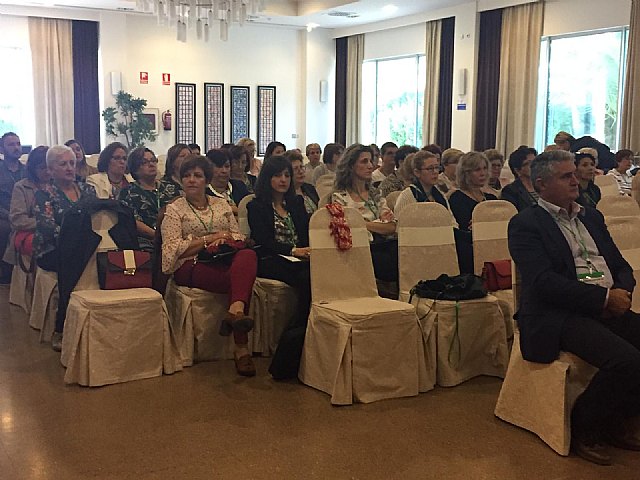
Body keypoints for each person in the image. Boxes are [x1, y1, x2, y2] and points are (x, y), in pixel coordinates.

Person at [508, 149, 640, 466]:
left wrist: (621, 290)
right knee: (627, 361)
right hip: (558, 313)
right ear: (541, 184)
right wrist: (603, 300)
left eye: (573, 174)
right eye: (565, 176)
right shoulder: (526, 224)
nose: (575, 180)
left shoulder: (590, 216)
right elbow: (543, 283)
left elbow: (619, 265)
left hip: (604, 304)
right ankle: (584, 425)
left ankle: (616, 419)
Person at [161, 155, 258, 376]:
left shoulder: (220, 204)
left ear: (206, 180)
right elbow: (171, 254)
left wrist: (224, 240)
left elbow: (238, 236)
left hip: (222, 257)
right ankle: (241, 348)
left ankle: (235, 312)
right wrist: (207, 240)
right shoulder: (174, 210)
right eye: (186, 176)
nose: (191, 180)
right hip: (189, 265)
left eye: (197, 176)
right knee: (240, 281)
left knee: (248, 255)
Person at [34, 145, 96, 351]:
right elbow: (48, 227)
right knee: (71, 260)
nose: (69, 168)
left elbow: (96, 220)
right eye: (63, 164)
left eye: (72, 163)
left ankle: (98, 319)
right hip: (52, 250)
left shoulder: (88, 190)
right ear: (50, 170)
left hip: (85, 247)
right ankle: (60, 327)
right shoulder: (44, 194)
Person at [247, 155, 311, 331]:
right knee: (307, 278)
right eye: (277, 175)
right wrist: (293, 251)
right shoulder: (256, 206)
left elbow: (305, 233)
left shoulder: (296, 203)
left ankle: (310, 324)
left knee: (320, 271)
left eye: (286, 175)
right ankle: (299, 328)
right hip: (271, 258)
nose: (283, 180)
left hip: (301, 256)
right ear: (267, 178)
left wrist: (306, 251)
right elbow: (264, 241)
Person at [331, 143, 397, 283]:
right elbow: (348, 229)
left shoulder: (376, 193)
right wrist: (378, 223)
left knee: (400, 252)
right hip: (357, 249)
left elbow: (391, 227)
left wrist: (363, 223)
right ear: (351, 166)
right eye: (364, 161)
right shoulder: (340, 197)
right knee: (389, 259)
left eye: (371, 161)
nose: (370, 166)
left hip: (382, 245)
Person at [118, 147, 181, 251]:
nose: (151, 164)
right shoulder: (128, 192)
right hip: (147, 240)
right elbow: (133, 221)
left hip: (175, 237)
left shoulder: (170, 187)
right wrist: (158, 236)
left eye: (153, 160)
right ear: (135, 168)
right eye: (144, 162)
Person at [448, 151, 497, 273]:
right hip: (468, 249)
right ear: (466, 173)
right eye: (477, 170)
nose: (483, 173)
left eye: (485, 168)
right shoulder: (456, 198)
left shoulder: (492, 199)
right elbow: (462, 229)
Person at [3, 146, 50, 269]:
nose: (47, 171)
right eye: (42, 168)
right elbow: (17, 220)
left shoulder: (58, 184)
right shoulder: (21, 187)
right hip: (29, 231)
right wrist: (46, 224)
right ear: (33, 169)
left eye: (49, 167)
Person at [394, 150, 453, 218]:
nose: (435, 172)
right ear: (417, 172)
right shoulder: (407, 196)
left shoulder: (440, 194)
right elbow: (400, 224)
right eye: (430, 168)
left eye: (437, 167)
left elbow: (451, 221)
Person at [0, 132, 27, 283]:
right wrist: (8, 215)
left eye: (18, 144)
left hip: (24, 213)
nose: (16, 148)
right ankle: (6, 272)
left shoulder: (28, 171)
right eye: (11, 144)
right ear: (2, 149)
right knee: (4, 229)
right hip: (3, 214)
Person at [205, 148, 250, 215]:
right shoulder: (203, 191)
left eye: (227, 166)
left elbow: (251, 209)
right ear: (208, 168)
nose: (224, 171)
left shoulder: (239, 186)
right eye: (219, 166)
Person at [500, 146, 538, 211]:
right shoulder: (510, 191)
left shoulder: (545, 185)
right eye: (529, 163)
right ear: (517, 170)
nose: (535, 165)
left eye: (536, 161)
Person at [285, 150, 319, 215]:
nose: (300, 171)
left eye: (301, 167)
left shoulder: (309, 188)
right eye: (295, 169)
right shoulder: (285, 194)